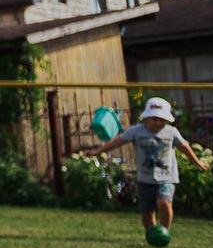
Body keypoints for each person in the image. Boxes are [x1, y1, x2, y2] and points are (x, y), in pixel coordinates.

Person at [82, 97, 206, 235]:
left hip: (166, 177)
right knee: (147, 211)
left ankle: (164, 232)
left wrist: (197, 162)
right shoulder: (136, 131)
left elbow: (184, 147)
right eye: (154, 119)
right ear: (146, 118)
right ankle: (151, 234)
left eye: (162, 120)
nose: (158, 123)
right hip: (145, 178)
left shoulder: (171, 132)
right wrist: (98, 151)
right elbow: (117, 142)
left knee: (164, 203)